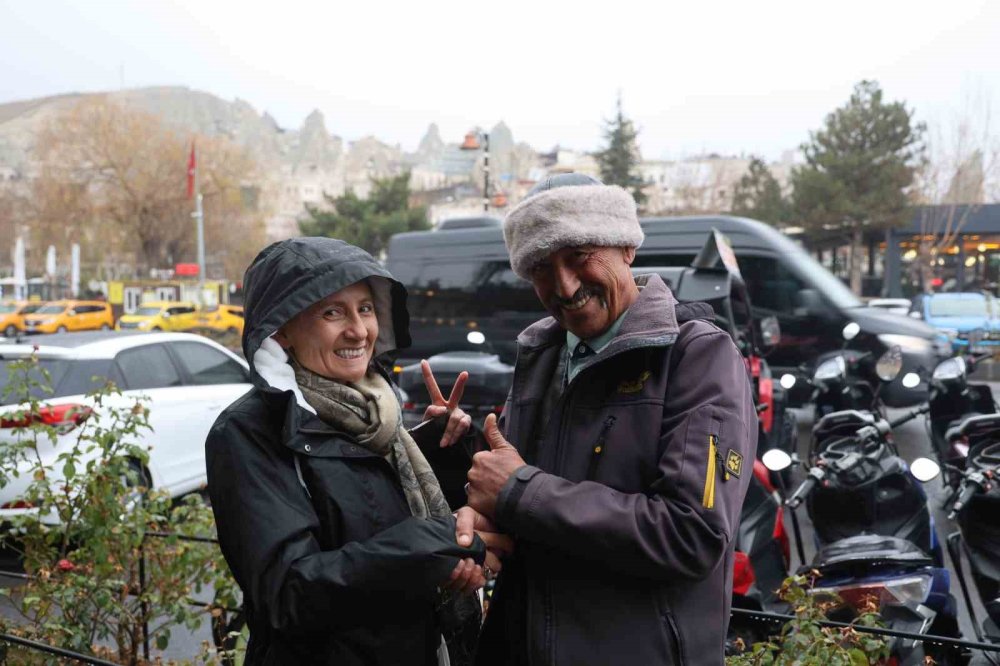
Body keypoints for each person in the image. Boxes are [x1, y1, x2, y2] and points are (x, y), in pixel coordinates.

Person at [463, 174, 758, 665]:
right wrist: (478, 507)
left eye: (579, 257)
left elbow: (692, 535)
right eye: (541, 267)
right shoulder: (539, 354)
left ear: (627, 247)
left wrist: (518, 491)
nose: (565, 286)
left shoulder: (697, 355)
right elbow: (522, 504)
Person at [206, 237, 510, 666]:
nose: (358, 330)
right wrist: (434, 545)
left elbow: (371, 510)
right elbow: (289, 594)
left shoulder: (376, 412)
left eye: (365, 309)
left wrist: (439, 453)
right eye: (332, 312)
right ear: (283, 330)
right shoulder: (249, 432)